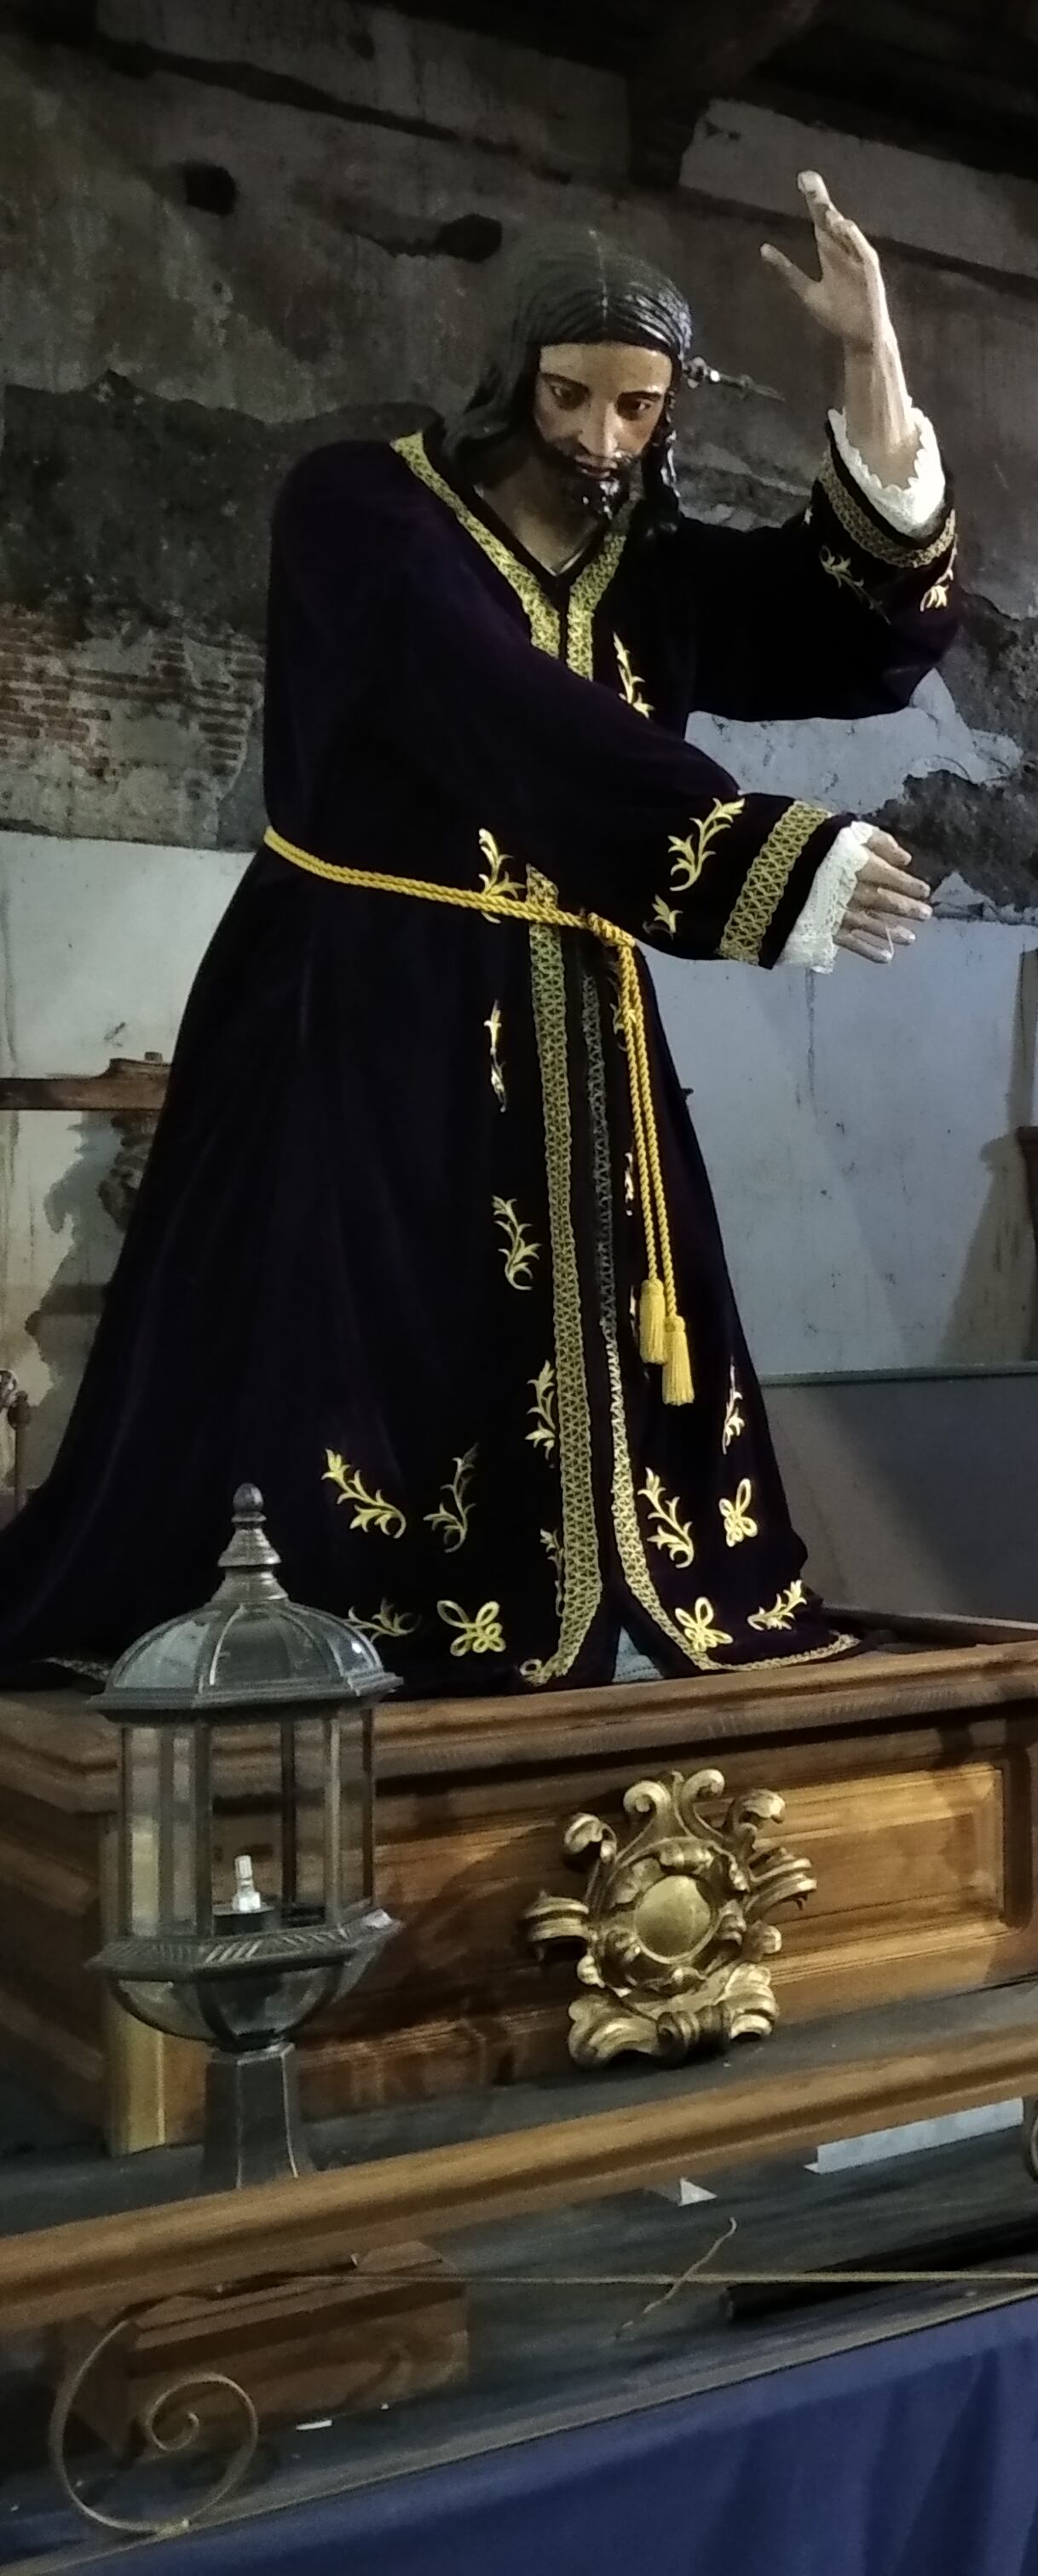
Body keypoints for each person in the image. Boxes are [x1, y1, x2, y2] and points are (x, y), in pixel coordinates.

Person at [0, 181, 955, 1690]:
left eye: (639, 408)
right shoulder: (360, 512)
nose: (599, 437)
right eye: (570, 396)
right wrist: (752, 857)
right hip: (366, 1002)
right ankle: (342, 1624)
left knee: (612, 1327)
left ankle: (601, 1599)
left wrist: (871, 359)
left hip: (586, 1015)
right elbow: (484, 698)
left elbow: (863, 632)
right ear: (511, 377)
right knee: (358, 1329)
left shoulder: (649, 570)